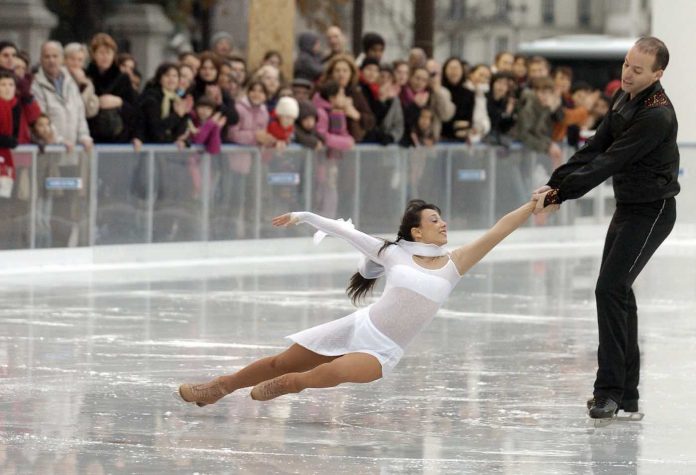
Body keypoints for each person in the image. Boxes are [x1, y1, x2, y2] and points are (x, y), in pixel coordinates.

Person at [178, 195, 541, 405]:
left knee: (331, 373)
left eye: (442, 219)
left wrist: (532, 205)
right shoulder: (392, 253)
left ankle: (294, 384)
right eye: (435, 219)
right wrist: (302, 216)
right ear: (417, 231)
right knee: (282, 360)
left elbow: (499, 230)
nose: (444, 224)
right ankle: (220, 386)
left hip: (383, 350)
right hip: (358, 326)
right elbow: (344, 231)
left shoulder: (455, 264)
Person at [533, 37, 679, 420]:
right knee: (618, 293)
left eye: (637, 69)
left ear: (658, 74)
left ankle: (609, 392)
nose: (627, 74)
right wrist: (556, 181)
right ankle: (626, 395)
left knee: (610, 289)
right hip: (628, 208)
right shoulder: (623, 98)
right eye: (626, 64)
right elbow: (595, 147)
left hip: (652, 212)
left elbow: (611, 162)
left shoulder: (656, 114)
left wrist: (562, 194)